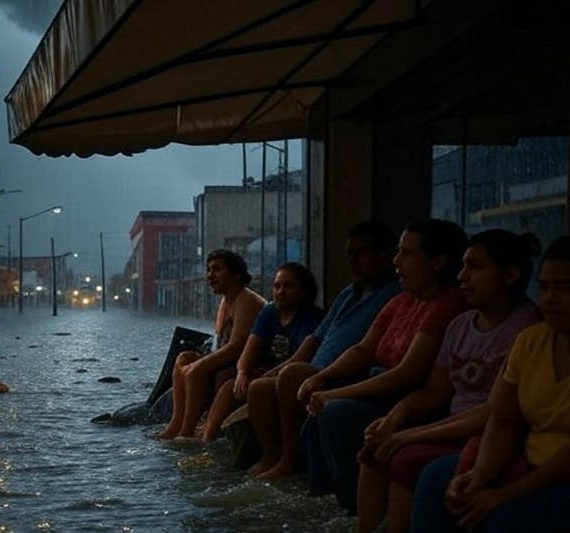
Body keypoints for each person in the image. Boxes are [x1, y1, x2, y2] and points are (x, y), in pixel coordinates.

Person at [360, 236, 570, 533]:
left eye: (564, 288)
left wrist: (505, 492)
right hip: (527, 460)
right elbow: (504, 420)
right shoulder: (533, 341)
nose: (550, 298)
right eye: (546, 286)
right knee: (441, 475)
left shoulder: (519, 325)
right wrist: (478, 475)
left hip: (558, 475)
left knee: (510, 517)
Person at [356, 230, 541, 533]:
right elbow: (434, 391)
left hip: (492, 438)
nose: (462, 276)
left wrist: (408, 436)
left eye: (475, 267)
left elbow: (495, 414)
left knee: (407, 457)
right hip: (454, 427)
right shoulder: (461, 325)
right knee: (374, 449)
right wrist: (394, 419)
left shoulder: (525, 330)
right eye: (463, 266)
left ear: (510, 276)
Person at [299, 219, 468, 513]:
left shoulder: (447, 304)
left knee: (335, 412)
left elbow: (408, 373)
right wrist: (322, 377)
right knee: (318, 410)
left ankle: (352, 507)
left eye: (406, 253)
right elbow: (364, 349)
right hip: (385, 393)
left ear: (438, 262)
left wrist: (334, 394)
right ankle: (324, 498)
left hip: (413, 404)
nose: (396, 261)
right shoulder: (402, 301)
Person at [245, 221, 400, 478]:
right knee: (260, 387)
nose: (353, 261)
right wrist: (280, 368)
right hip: (316, 369)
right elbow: (315, 339)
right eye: (349, 253)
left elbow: (366, 351)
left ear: (383, 256)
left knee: (292, 375)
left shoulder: (392, 295)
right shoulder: (349, 293)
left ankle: (290, 460)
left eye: (361, 253)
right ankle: (271, 455)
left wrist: (306, 372)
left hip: (348, 376)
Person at [201, 261, 322, 442]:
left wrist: (262, 377)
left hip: (292, 376)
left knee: (255, 387)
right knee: (228, 384)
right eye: (277, 286)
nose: (280, 291)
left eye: (288, 286)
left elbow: (299, 359)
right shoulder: (269, 312)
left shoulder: (312, 318)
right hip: (266, 370)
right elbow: (250, 348)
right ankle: (207, 438)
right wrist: (242, 372)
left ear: (304, 291)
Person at [159, 249, 265, 439]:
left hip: (248, 364)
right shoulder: (226, 301)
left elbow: (236, 347)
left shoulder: (247, 300)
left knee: (196, 369)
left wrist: (200, 365)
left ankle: (187, 430)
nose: (210, 275)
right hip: (229, 360)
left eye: (217, 269)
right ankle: (176, 424)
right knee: (184, 358)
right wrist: (198, 361)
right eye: (208, 270)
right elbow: (221, 343)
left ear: (236, 274)